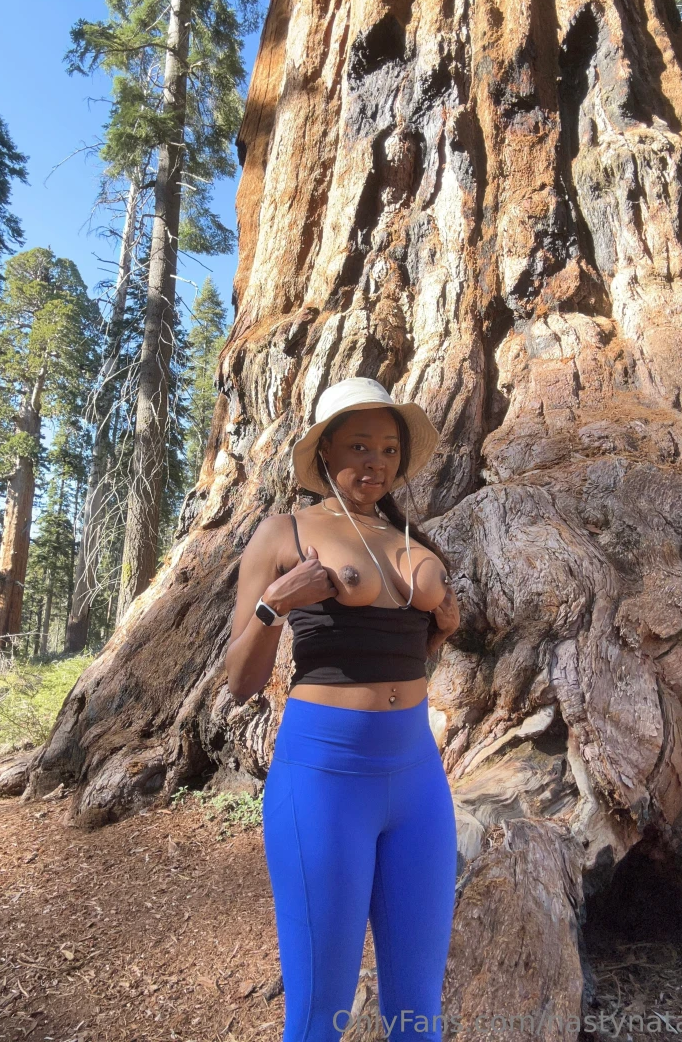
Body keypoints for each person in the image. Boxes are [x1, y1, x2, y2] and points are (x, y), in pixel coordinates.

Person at [225, 376, 461, 1042]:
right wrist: (279, 602)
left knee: (418, 1010)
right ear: (324, 453)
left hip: (417, 781)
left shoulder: (411, 539)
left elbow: (402, 665)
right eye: (358, 446)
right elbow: (240, 680)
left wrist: (438, 634)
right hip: (324, 781)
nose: (375, 463)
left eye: (388, 449)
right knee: (319, 1011)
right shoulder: (284, 532)